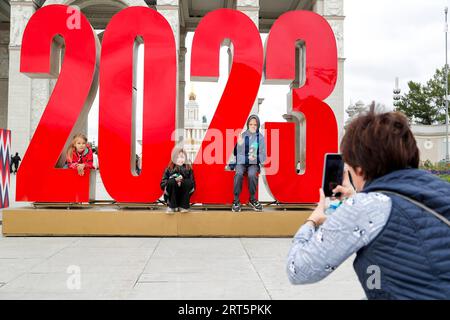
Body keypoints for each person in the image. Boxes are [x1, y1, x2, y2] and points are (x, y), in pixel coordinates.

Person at [286, 111, 450, 300]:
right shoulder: (439, 188)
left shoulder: (366, 206)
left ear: (360, 168)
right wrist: (356, 196)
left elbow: (298, 269)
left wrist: (312, 221)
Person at [231, 114, 266, 212]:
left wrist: (255, 158)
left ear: (258, 125)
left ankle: (252, 199)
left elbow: (263, 156)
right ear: (248, 125)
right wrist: (239, 144)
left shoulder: (261, 138)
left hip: (253, 163)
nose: (253, 126)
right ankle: (236, 201)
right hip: (241, 162)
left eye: (255, 124)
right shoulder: (243, 135)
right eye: (251, 124)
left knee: (252, 174)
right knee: (238, 173)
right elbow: (235, 153)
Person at [160, 148, 195, 213]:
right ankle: (172, 207)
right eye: (177, 157)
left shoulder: (189, 169)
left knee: (187, 182)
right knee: (172, 181)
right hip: (171, 196)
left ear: (185, 158)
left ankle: (184, 206)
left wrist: (182, 181)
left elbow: (193, 186)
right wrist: (173, 179)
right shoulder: (169, 168)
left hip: (184, 197)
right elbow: (162, 184)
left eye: (182, 157)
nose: (180, 159)